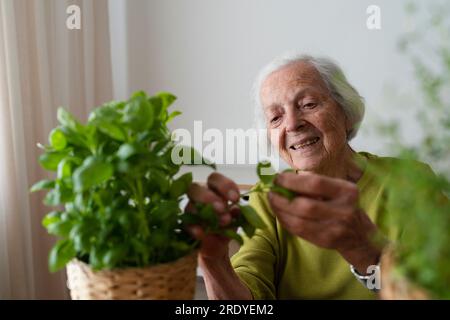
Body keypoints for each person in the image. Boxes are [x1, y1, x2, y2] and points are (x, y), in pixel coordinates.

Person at [185, 53, 424, 299]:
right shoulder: (265, 202)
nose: (292, 124)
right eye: (276, 117)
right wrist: (213, 262)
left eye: (308, 104)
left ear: (346, 112)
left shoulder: (410, 181)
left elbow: (435, 287)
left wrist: (367, 253)